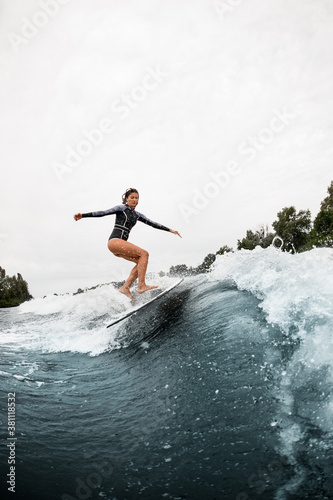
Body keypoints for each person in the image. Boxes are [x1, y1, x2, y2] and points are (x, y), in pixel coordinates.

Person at [74, 188, 181, 301]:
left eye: (136, 198)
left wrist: (170, 230)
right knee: (144, 254)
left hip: (119, 246)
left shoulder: (138, 215)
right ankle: (142, 286)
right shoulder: (121, 208)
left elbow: (153, 223)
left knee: (141, 261)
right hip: (114, 241)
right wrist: (83, 215)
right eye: (132, 197)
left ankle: (125, 287)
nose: (134, 200)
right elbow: (103, 213)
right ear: (126, 199)